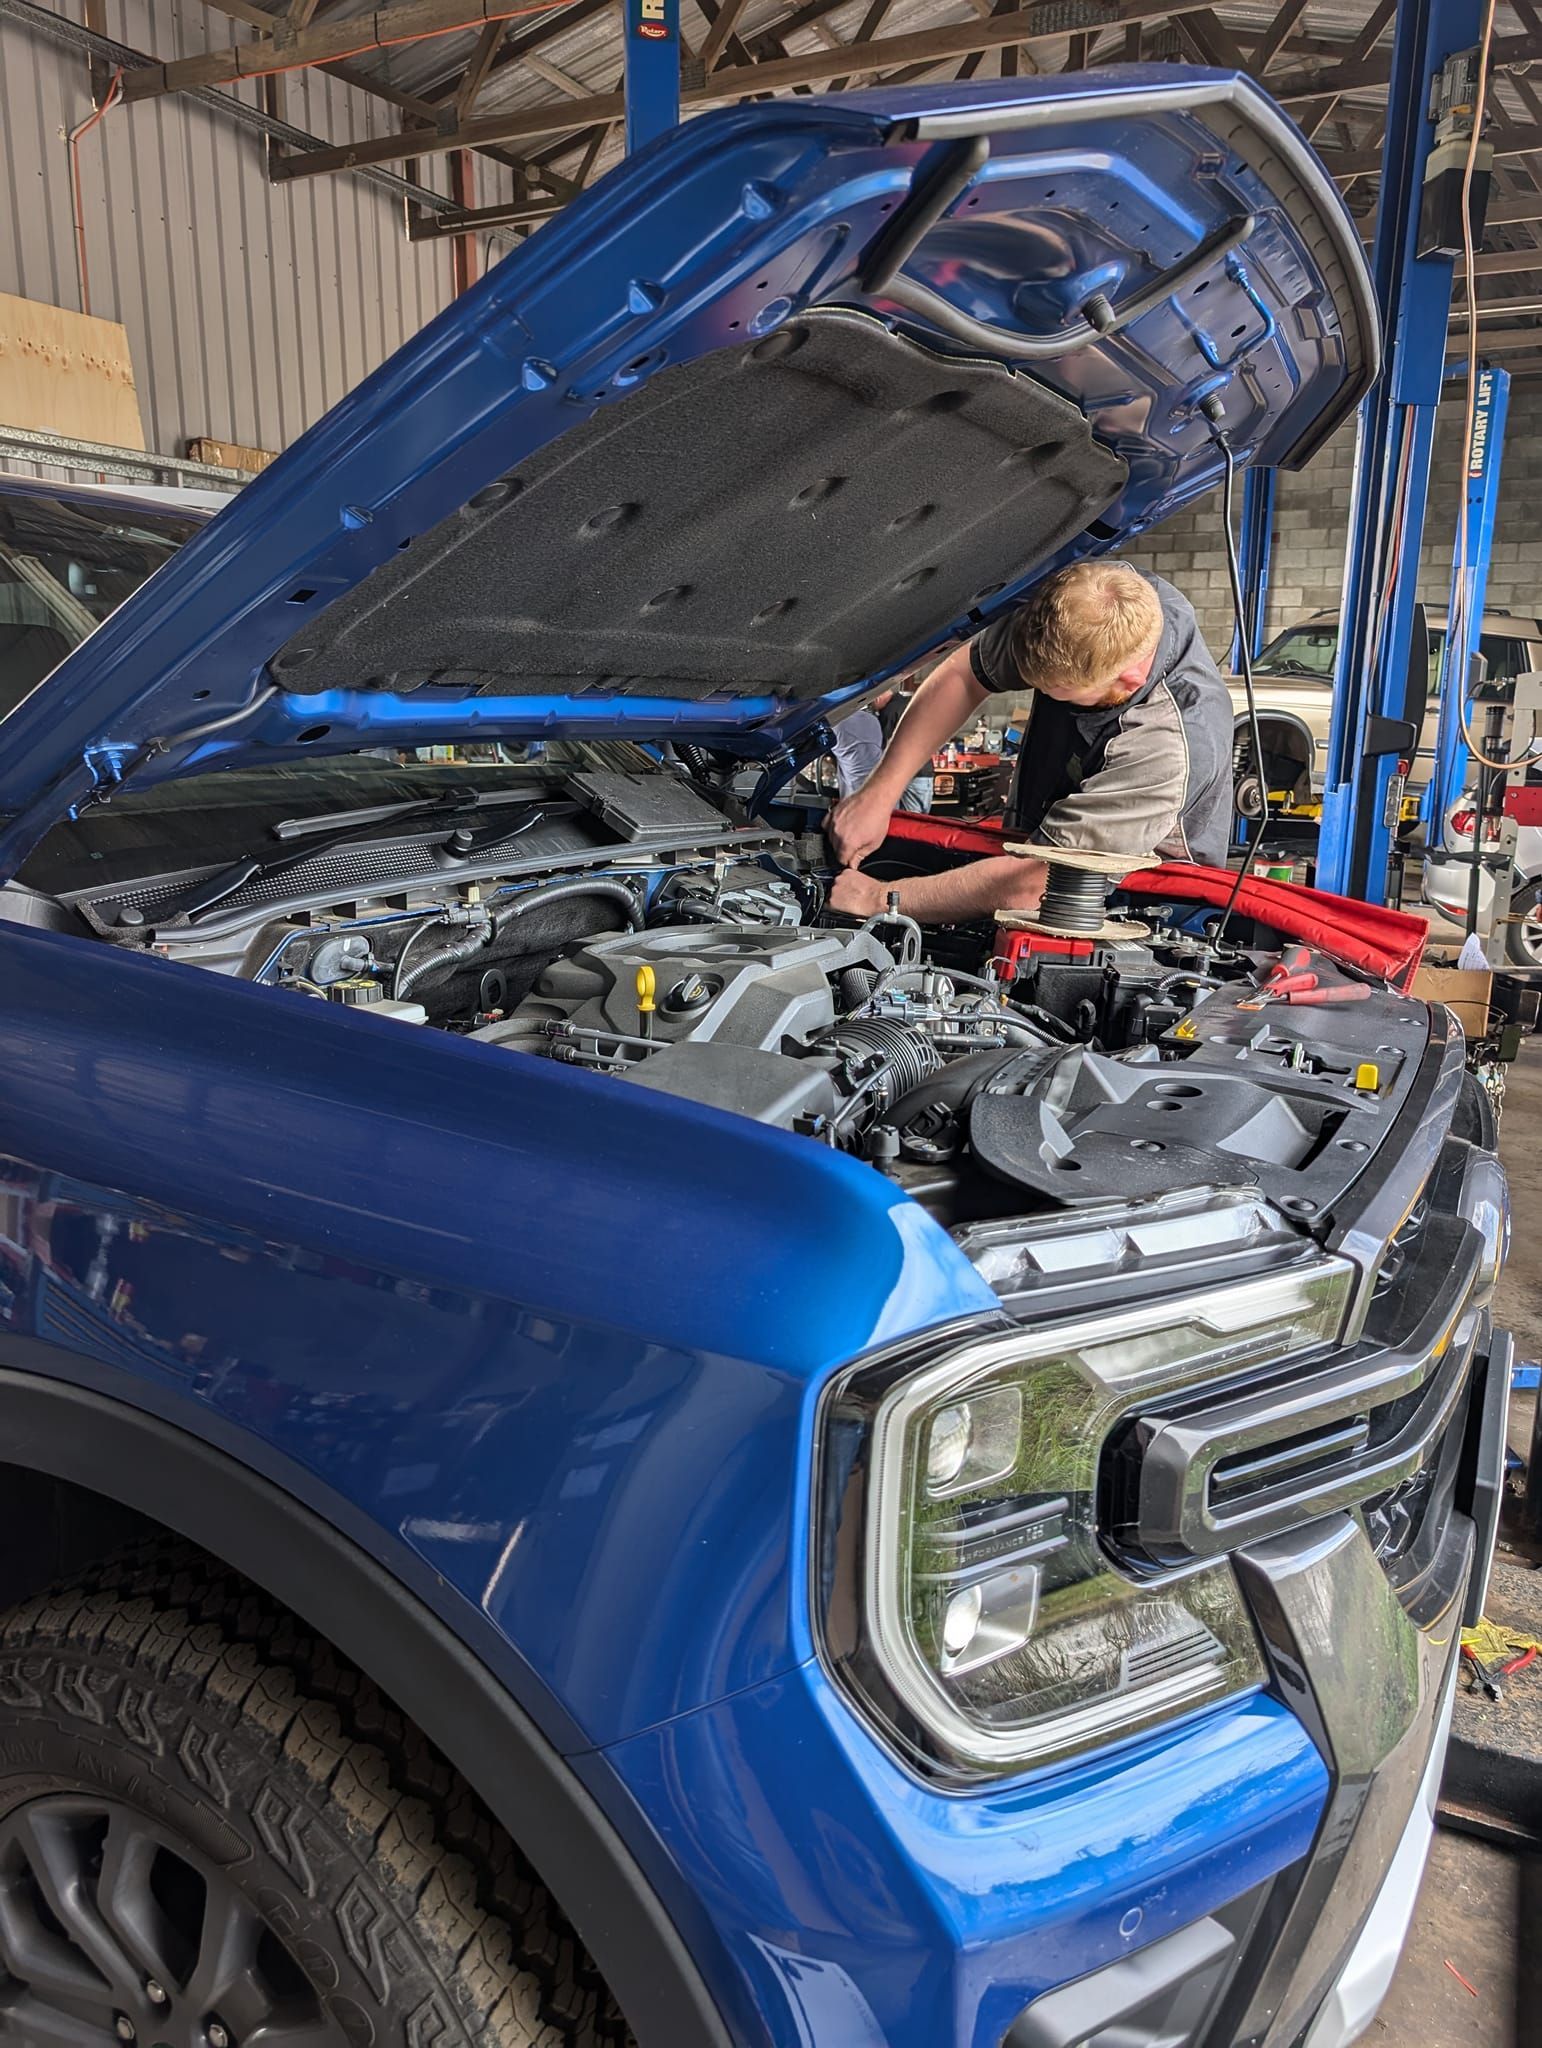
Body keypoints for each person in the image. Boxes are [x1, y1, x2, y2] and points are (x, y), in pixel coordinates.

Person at [826, 560, 1231, 922]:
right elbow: (963, 676)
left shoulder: (1166, 745)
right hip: (1032, 843)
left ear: (1129, 681)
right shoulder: (1086, 603)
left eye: (1058, 692)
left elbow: (1037, 884)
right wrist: (877, 795)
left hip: (1141, 908)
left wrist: (881, 899)